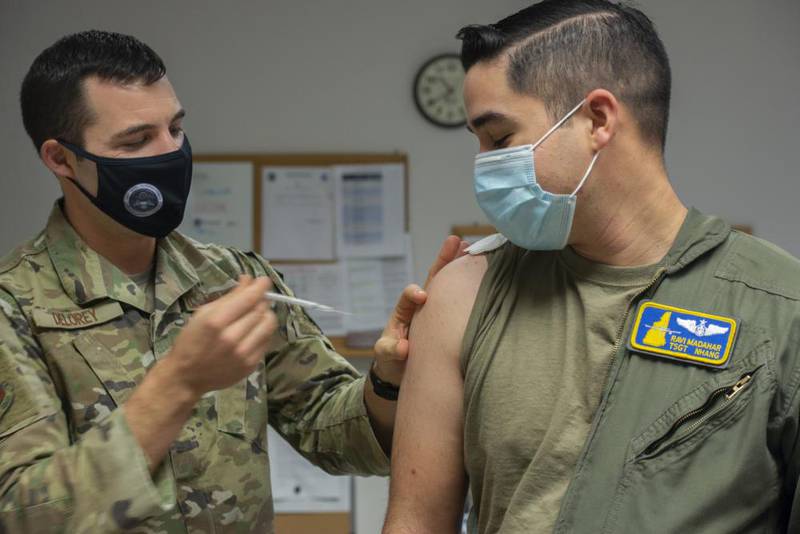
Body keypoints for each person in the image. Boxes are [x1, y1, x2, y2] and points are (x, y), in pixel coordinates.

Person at [0, 30, 464, 533]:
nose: (171, 152)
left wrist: (390, 380)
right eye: (136, 141)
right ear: (60, 159)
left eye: (176, 129)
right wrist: (179, 385)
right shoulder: (14, 306)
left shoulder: (232, 279)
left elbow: (332, 435)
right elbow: (25, 515)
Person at [383, 1, 800, 533]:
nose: (484, 165)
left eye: (500, 139)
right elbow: (415, 522)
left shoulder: (780, 308)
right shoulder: (465, 294)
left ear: (597, 120)